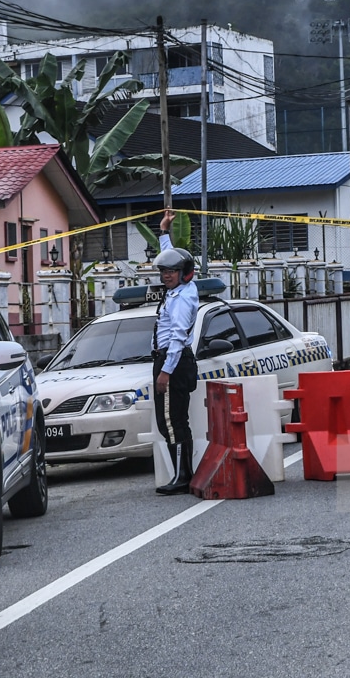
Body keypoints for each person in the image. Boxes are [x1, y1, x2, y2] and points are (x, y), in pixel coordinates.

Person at [151, 209, 199, 495]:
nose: (166, 275)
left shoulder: (182, 299)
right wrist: (164, 232)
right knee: (171, 421)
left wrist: (165, 372)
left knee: (172, 422)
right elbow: (171, 257)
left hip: (173, 361)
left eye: (171, 272)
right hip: (170, 360)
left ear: (184, 274)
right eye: (163, 271)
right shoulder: (179, 289)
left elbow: (178, 338)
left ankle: (182, 477)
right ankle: (183, 474)